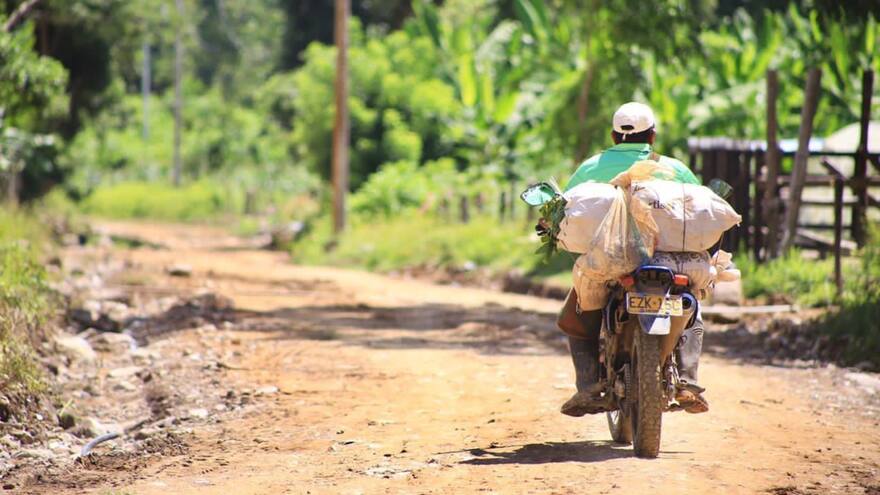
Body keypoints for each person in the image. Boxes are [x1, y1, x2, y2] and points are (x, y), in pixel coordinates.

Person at [558, 102, 709, 417]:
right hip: (667, 265)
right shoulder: (674, 168)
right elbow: (700, 211)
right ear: (652, 136)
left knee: (579, 312)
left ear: (614, 136)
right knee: (691, 307)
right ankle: (687, 381)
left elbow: (565, 212)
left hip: (609, 260)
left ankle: (587, 384)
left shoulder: (589, 167)